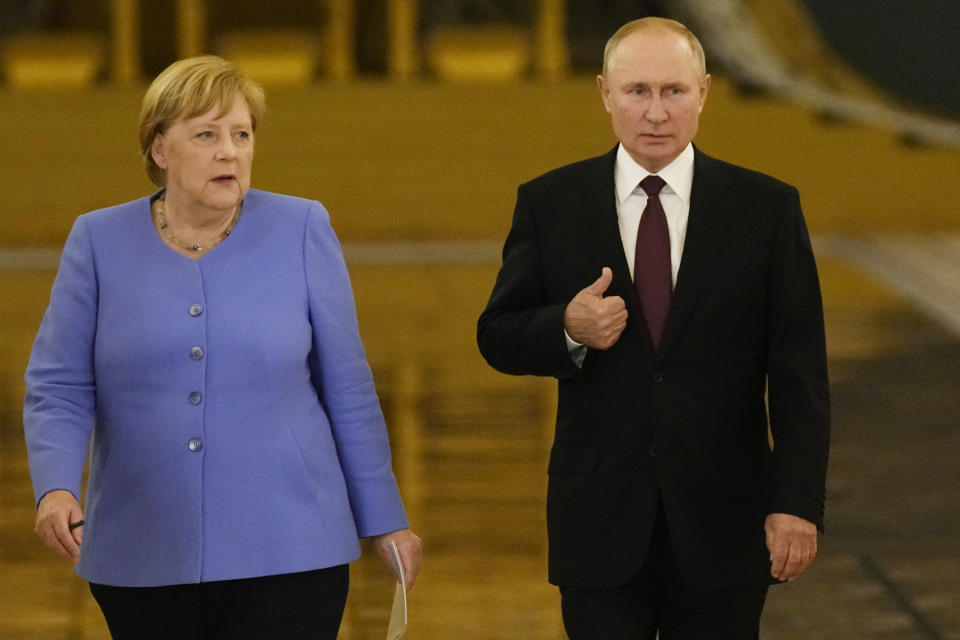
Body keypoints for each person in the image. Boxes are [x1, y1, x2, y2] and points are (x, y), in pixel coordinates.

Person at [24, 55, 422, 640]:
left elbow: (348, 388)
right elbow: (59, 384)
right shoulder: (97, 241)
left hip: (294, 547)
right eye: (206, 135)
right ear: (161, 150)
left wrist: (385, 520)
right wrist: (56, 486)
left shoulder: (302, 227)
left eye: (241, 134)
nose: (229, 151)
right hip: (142, 550)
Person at [477, 17, 829, 639]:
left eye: (674, 91)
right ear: (605, 94)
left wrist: (796, 503)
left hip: (727, 523)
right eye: (637, 90)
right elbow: (497, 334)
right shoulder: (550, 203)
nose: (657, 112)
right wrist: (566, 326)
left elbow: (800, 376)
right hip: (599, 524)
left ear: (705, 93)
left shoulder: (767, 209)